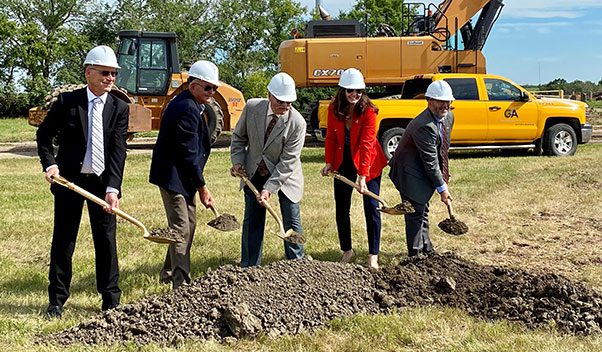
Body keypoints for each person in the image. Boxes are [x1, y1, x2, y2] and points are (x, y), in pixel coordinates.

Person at [36, 45, 129, 319]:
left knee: (106, 240)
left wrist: (113, 188)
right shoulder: (67, 102)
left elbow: (117, 151)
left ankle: (111, 300)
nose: (110, 78)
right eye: (105, 72)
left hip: (101, 184)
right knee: (64, 240)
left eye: (113, 73)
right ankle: (56, 300)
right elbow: (44, 137)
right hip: (69, 181)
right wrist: (51, 165)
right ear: (89, 72)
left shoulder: (119, 107)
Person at [149, 60, 219, 289]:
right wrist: (203, 188)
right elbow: (188, 154)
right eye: (207, 88)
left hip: (182, 176)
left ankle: (168, 272)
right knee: (181, 228)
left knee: (189, 224)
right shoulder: (187, 109)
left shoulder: (191, 104)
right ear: (193, 85)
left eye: (214, 88)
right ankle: (181, 285)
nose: (212, 93)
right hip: (173, 176)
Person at [230, 72, 305, 267]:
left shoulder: (297, 123)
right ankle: (249, 266)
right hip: (254, 171)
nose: (285, 106)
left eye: (289, 102)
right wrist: (238, 161)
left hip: (285, 176)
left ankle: (297, 266)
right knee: (252, 220)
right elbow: (239, 137)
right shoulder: (253, 107)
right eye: (280, 101)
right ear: (269, 94)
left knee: (291, 220)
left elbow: (288, 161)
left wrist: (270, 188)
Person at [320, 68, 388, 269]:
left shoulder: (369, 111)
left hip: (369, 165)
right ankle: (347, 250)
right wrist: (329, 162)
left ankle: (373, 255)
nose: (354, 95)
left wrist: (363, 176)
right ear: (343, 90)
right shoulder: (334, 109)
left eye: (358, 91)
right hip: (343, 163)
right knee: (341, 207)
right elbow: (331, 137)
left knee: (371, 208)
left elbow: (367, 144)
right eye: (350, 91)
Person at [388, 80, 455, 257]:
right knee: (415, 212)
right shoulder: (424, 125)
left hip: (422, 165)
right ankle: (415, 255)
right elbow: (430, 160)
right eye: (440, 101)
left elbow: (442, 147)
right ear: (429, 101)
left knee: (423, 208)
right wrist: (442, 188)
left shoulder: (448, 117)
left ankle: (427, 248)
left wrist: (444, 173)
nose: (445, 105)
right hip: (408, 170)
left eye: (448, 101)